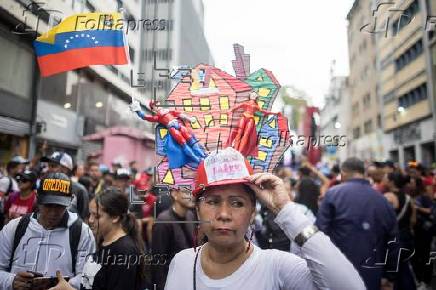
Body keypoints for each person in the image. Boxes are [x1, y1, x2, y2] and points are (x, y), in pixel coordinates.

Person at [164, 148, 365, 290]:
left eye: (237, 203)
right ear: (197, 210)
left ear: (253, 213)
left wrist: (285, 210)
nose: (223, 214)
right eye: (213, 202)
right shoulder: (181, 262)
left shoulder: (278, 267)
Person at [0, 172, 95, 290]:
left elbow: (89, 277)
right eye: (48, 205)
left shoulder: (82, 233)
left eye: (60, 206)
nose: (53, 212)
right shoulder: (15, 227)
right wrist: (11, 281)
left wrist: (68, 286)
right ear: (37, 198)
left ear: (71, 200)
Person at [316, 157, 399, 290]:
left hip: (339, 273)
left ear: (342, 174)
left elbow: (319, 235)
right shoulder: (382, 200)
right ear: (364, 173)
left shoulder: (332, 195)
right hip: (373, 274)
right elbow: (393, 241)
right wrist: (390, 276)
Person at [48, 187, 148, 290]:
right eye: (90, 214)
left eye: (97, 216)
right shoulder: (103, 240)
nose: (90, 220)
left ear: (115, 217)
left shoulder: (124, 250)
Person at [130, 99, 206, 168]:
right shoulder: (158, 117)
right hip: (173, 129)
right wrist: (138, 111)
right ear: (153, 109)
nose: (158, 105)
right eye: (155, 105)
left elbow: (179, 114)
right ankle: (197, 160)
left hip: (179, 125)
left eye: (158, 103)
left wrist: (189, 119)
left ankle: (203, 155)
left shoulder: (168, 111)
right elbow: (145, 117)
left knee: (190, 140)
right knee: (183, 144)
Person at [152, 187, 196, 290]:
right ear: (174, 194)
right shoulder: (163, 221)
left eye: (193, 192)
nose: (191, 196)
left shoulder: (190, 216)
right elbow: (157, 261)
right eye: (186, 192)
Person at [383, 172, 416, 290]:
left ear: (391, 181)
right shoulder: (408, 198)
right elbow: (413, 220)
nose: (383, 179)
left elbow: (384, 220)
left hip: (394, 239)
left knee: (393, 270)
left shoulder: (388, 197)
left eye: (385, 177)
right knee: (404, 266)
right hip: (407, 237)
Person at [41, 152, 90, 220]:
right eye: (48, 166)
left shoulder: (79, 190)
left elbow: (84, 217)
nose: (49, 169)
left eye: (53, 166)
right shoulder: (44, 185)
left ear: (65, 169)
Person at [0, 156, 29, 230]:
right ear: (12, 167)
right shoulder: (6, 180)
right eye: (21, 166)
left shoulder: (16, 181)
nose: (23, 168)